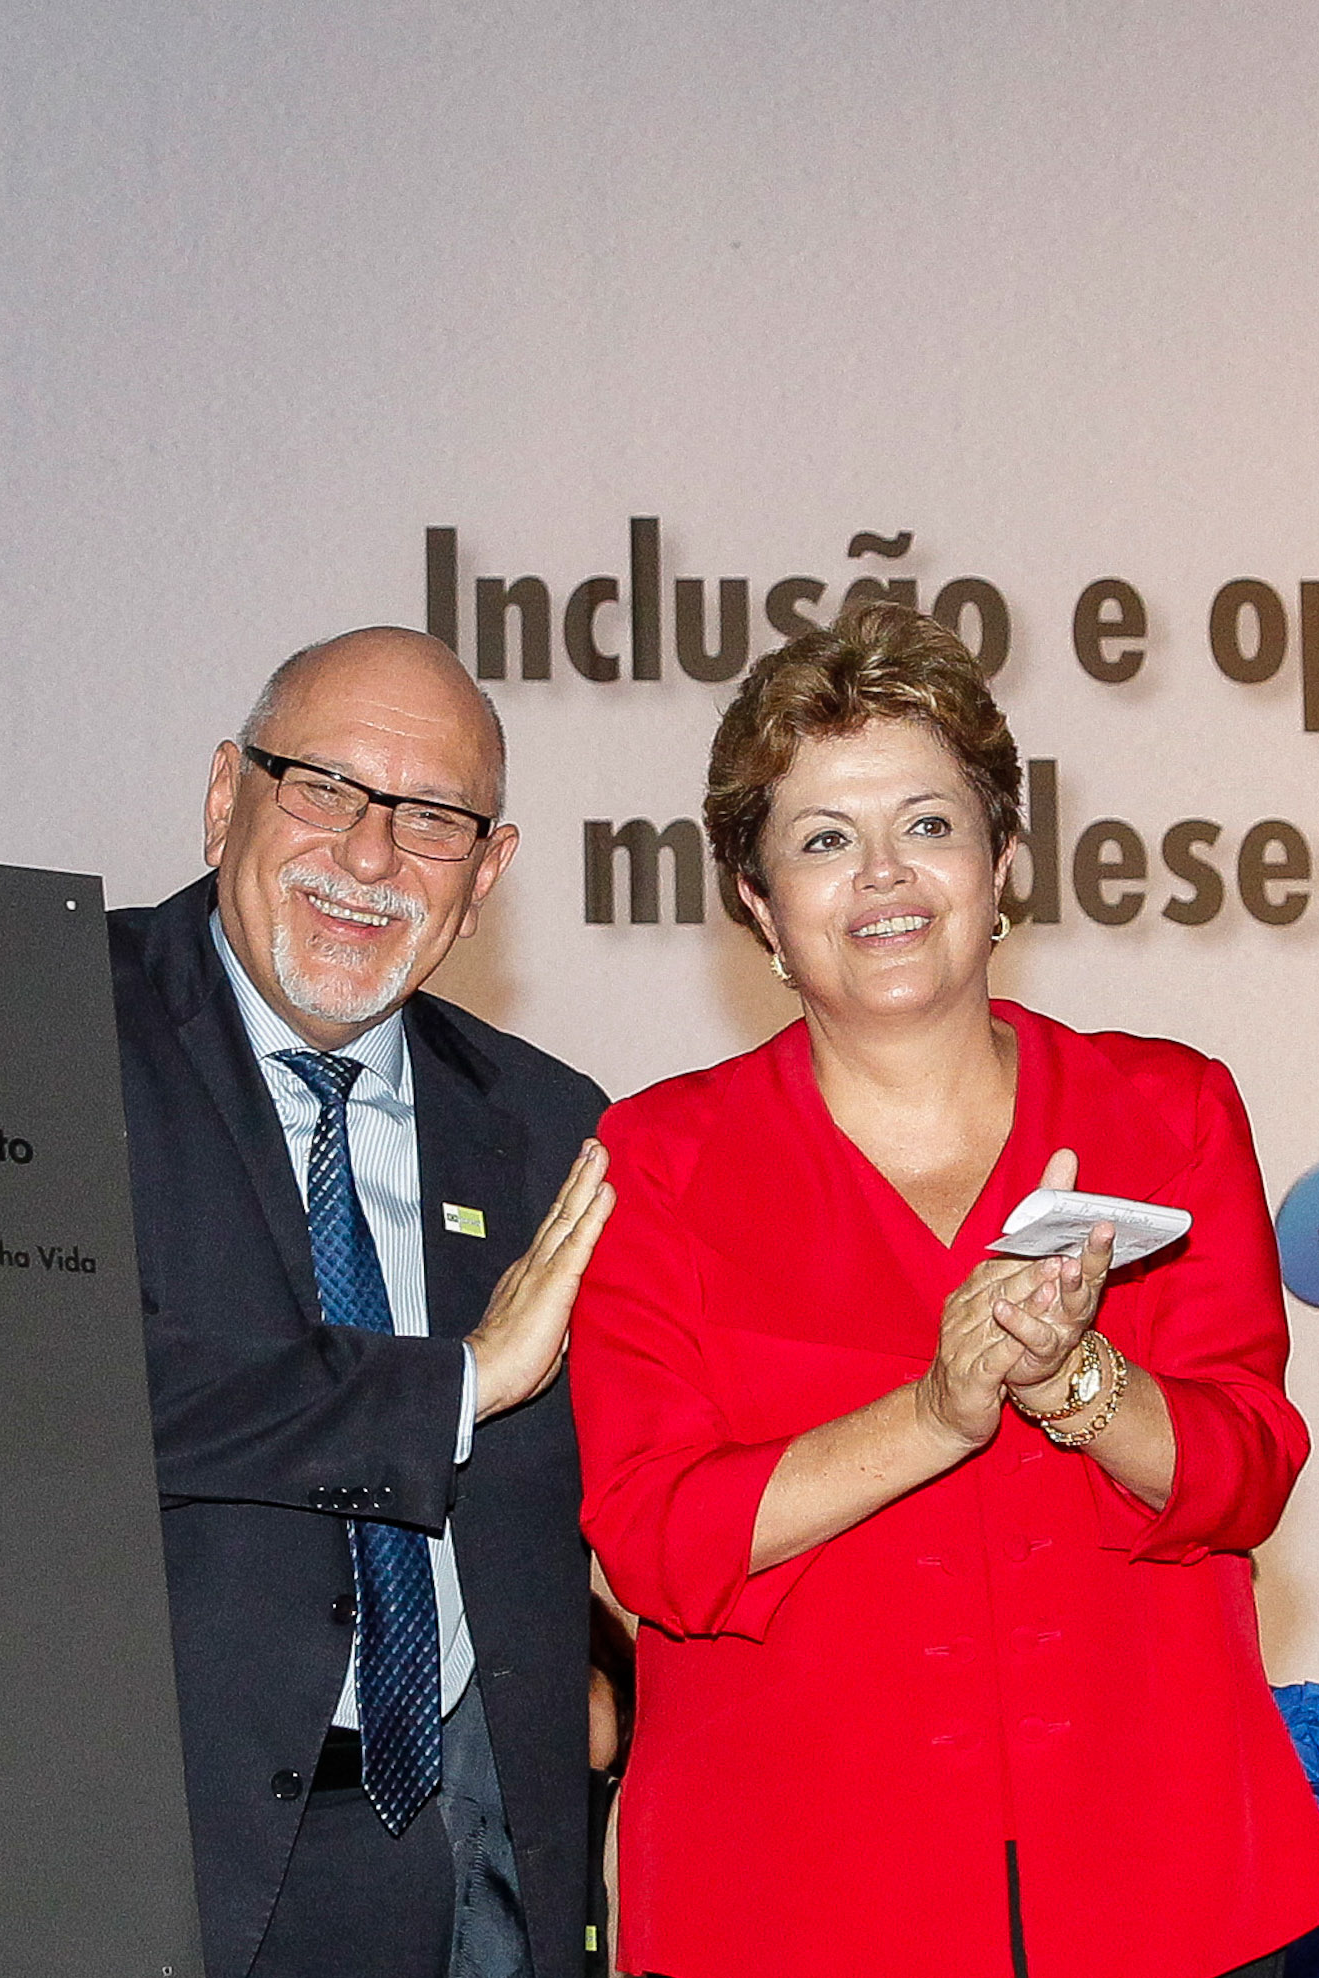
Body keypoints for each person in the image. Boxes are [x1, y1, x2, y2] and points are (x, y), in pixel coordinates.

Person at [572, 599, 1319, 1977]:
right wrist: (934, 1410)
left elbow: (1244, 1466)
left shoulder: (1166, 1108)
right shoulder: (655, 1159)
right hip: (790, 1909)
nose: (882, 877)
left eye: (926, 822)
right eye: (819, 839)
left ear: (1003, 861)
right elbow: (652, 1538)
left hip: (1167, 1895)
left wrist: (1075, 1382)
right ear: (754, 897)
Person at [111, 627, 615, 1978]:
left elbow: (616, 1464)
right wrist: (454, 1381)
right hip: (148, 1868)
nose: (370, 855)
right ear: (226, 794)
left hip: (465, 1879)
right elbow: (63, 1393)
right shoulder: (50, 1027)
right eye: (320, 788)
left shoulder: (549, 1121)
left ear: (488, 871)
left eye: (431, 817)